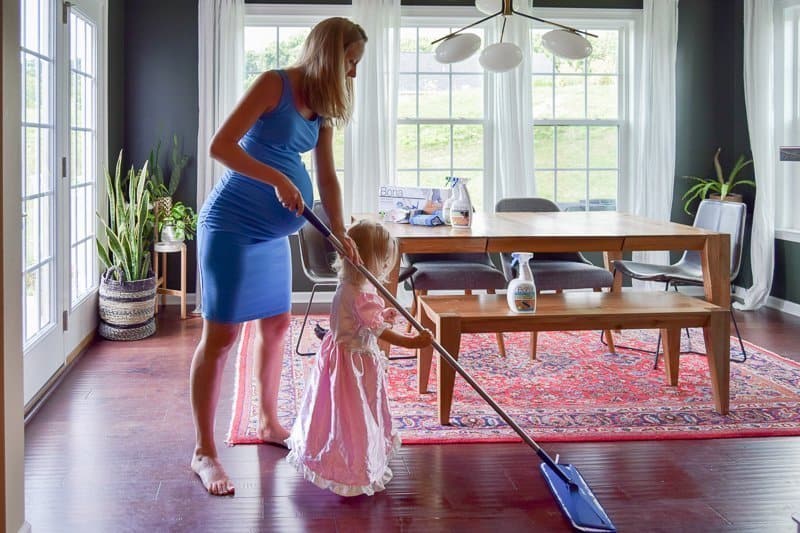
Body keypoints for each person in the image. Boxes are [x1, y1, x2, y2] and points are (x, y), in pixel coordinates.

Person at [190, 17, 367, 496]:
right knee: (221, 336)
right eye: (350, 62)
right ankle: (205, 450)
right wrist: (277, 179)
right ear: (331, 55)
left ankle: (268, 421)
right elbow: (220, 146)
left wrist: (340, 230)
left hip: (270, 237)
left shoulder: (324, 110)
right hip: (229, 227)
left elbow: (327, 179)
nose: (352, 74)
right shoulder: (274, 84)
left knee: (276, 325)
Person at [285, 219, 433, 496]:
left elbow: (363, 321)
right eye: (386, 258)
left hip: (340, 356)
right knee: (357, 413)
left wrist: (381, 315)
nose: (389, 263)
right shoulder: (361, 293)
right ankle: (353, 466)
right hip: (355, 364)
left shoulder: (352, 284)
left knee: (337, 411)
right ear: (372, 259)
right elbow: (380, 333)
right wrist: (414, 342)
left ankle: (338, 454)